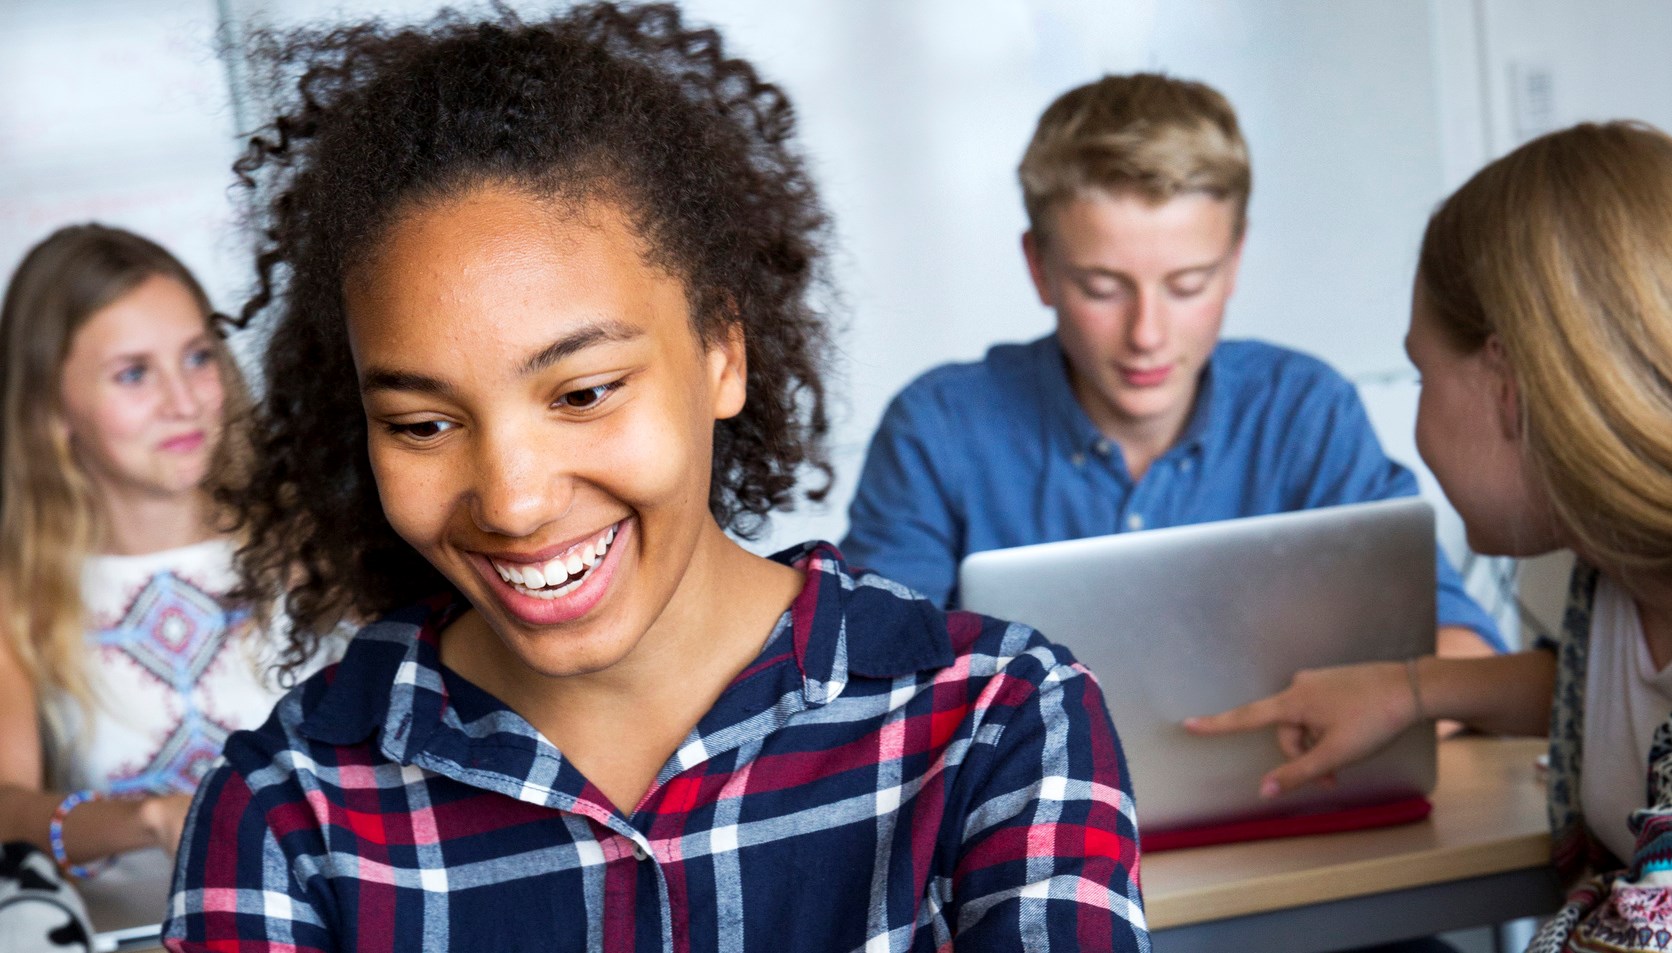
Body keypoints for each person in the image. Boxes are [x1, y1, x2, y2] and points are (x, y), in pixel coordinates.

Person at [163, 6, 1148, 950]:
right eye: (423, 423)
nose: (512, 499)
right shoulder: (288, 814)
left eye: (584, 392)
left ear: (722, 349)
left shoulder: (997, 721)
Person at [1188, 121, 1672, 950]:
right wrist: (1411, 688)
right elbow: (1606, 693)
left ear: (1509, 386)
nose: (1414, 421)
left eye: (1422, 375)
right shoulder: (1619, 572)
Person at [841, 72, 1504, 659]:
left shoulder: (1305, 410)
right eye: (1102, 288)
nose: (1147, 334)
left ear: (1234, 262)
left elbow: (1462, 650)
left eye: (1187, 285)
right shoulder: (938, 429)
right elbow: (865, 689)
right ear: (1038, 268)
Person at [0, 225, 286, 905]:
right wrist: (150, 819)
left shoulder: (308, 546)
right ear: (49, 410)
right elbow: (5, 807)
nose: (183, 401)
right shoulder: (19, 595)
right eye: (134, 373)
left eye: (197, 357)